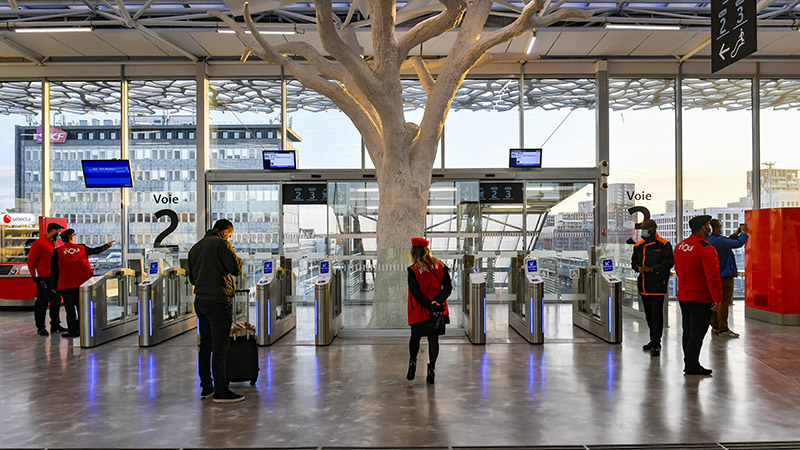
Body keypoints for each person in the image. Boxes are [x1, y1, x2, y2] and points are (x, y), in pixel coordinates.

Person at [188, 219, 245, 403]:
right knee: (221, 347)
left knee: (206, 345)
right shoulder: (222, 244)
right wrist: (240, 260)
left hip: (201, 300)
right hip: (219, 300)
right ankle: (221, 389)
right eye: (230, 234)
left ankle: (207, 387)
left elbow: (192, 278)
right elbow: (235, 268)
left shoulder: (195, 248)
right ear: (226, 232)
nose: (229, 237)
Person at [673, 215, 721, 376]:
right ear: (702, 228)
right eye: (708, 225)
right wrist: (717, 298)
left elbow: (679, 270)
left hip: (684, 295)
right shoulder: (706, 248)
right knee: (698, 332)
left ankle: (689, 361)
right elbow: (712, 276)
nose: (709, 228)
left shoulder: (680, 246)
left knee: (688, 330)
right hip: (700, 297)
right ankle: (692, 364)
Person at [50, 228, 114, 339]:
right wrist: (107, 245)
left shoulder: (58, 252)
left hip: (66, 285)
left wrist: (53, 286)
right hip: (82, 284)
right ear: (72, 237)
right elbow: (96, 251)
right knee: (81, 308)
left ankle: (72, 331)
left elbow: (54, 270)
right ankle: (82, 329)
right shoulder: (81, 248)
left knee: (70, 309)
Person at [406, 237, 451, 385]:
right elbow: (448, 288)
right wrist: (437, 301)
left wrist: (428, 304)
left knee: (415, 338)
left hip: (420, 309)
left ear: (414, 251)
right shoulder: (440, 265)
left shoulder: (413, 270)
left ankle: (413, 363)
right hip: (437, 310)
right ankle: (431, 370)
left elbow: (415, 292)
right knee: (433, 340)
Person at [631, 219, 674, 357]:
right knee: (649, 315)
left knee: (656, 314)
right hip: (643, 285)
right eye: (642, 228)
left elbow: (668, 263)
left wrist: (651, 269)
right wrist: (639, 268)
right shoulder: (639, 245)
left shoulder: (664, 244)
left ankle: (656, 342)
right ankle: (652, 340)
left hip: (657, 284)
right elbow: (634, 262)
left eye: (645, 228)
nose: (642, 230)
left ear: (652, 229)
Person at [707, 219, 749, 338]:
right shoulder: (718, 241)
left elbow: (727, 241)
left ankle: (715, 326)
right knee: (724, 302)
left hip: (715, 276)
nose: (721, 229)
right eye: (719, 227)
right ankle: (723, 328)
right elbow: (737, 244)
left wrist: (735, 234)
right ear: (714, 228)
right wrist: (744, 233)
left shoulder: (710, 240)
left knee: (715, 301)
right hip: (724, 276)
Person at [27, 223, 66, 336]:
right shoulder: (39, 244)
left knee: (56, 301)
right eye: (58, 231)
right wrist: (35, 277)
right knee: (42, 303)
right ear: (53, 231)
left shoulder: (56, 243)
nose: (59, 234)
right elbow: (31, 261)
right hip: (44, 278)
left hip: (56, 278)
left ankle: (55, 324)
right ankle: (41, 327)